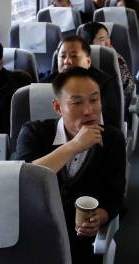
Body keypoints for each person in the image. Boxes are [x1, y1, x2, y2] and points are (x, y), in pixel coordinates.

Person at [14, 67, 126, 264]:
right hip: (33, 233)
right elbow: (23, 181)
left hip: (80, 243)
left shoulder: (113, 139)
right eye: (76, 102)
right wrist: (74, 146)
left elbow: (114, 196)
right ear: (58, 107)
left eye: (94, 100)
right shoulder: (33, 132)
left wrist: (101, 216)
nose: (89, 110)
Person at [40, 36, 122, 131]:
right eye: (62, 57)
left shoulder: (103, 83)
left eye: (74, 56)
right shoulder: (44, 85)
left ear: (88, 61)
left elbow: (110, 122)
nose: (67, 61)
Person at [78, 22, 135, 106]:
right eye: (102, 40)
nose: (107, 42)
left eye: (108, 37)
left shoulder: (116, 57)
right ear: (89, 43)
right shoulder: (76, 60)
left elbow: (129, 88)